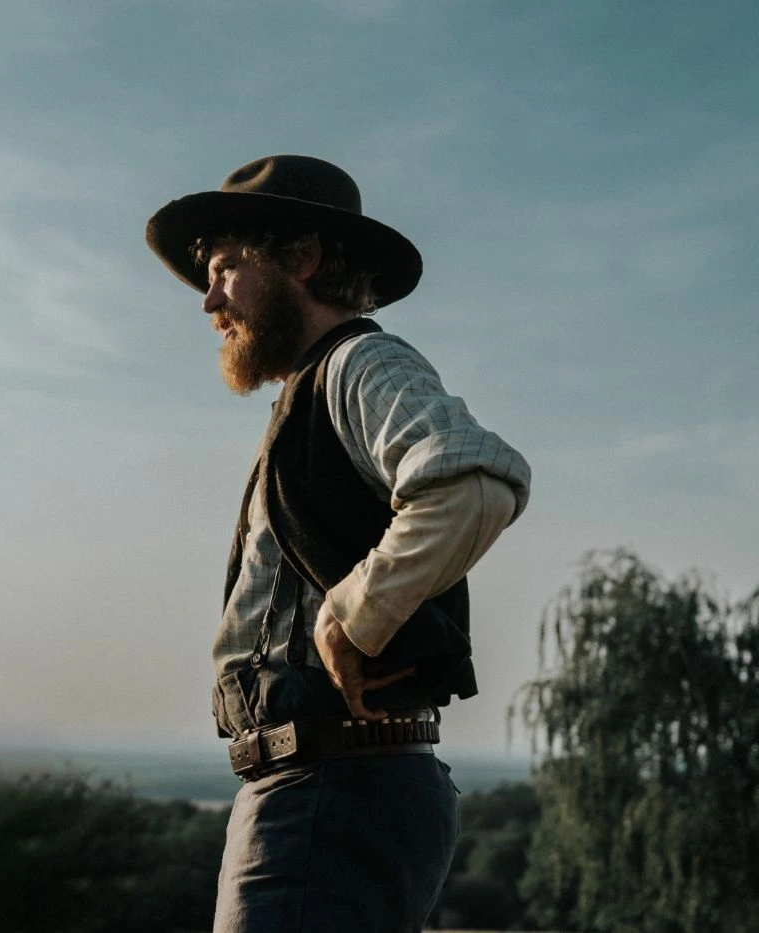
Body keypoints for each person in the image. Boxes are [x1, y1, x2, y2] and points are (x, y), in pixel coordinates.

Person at [145, 155, 531, 931]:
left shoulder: (359, 361)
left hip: (329, 791)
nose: (210, 300)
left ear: (302, 259)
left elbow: (476, 480)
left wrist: (353, 612)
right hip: (324, 790)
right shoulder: (314, 389)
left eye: (224, 270)